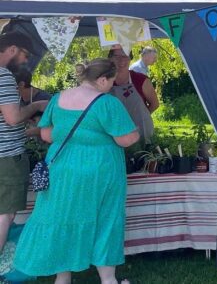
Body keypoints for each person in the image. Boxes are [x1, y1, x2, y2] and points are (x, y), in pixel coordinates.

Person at [13, 58, 139, 284]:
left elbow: (46, 135)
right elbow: (127, 139)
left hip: (62, 168)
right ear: (102, 79)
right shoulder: (107, 103)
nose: (111, 85)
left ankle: (62, 278)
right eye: (111, 81)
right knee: (106, 219)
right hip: (100, 170)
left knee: (64, 217)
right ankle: (108, 279)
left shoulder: (58, 98)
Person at [0, 33, 48, 256]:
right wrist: (35, 106)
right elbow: (12, 118)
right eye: (24, 54)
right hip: (6, 157)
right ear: (12, 49)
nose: (25, 60)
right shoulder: (3, 76)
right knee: (4, 214)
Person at [108, 46, 158, 148]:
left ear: (130, 58)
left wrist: (141, 117)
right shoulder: (104, 81)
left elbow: (155, 104)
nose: (121, 60)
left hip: (141, 134)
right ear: (110, 58)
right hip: (113, 135)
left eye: (125, 56)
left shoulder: (141, 80)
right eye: (116, 56)